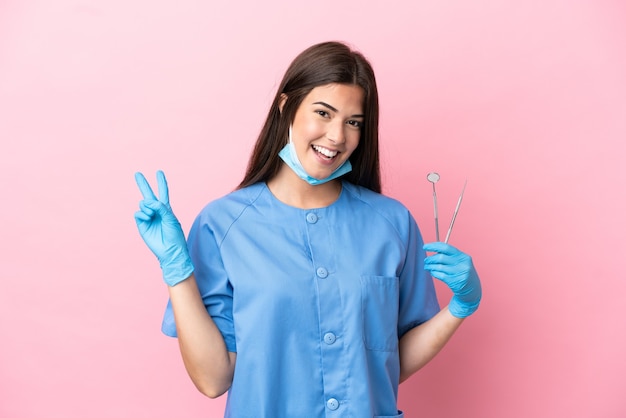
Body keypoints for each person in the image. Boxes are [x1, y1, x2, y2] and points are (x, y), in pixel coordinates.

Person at [133, 41, 482, 418]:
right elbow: (214, 379)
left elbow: (390, 361)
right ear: (287, 107)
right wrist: (177, 270)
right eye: (323, 113)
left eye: (353, 122)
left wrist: (460, 308)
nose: (337, 136)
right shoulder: (223, 225)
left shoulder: (391, 224)